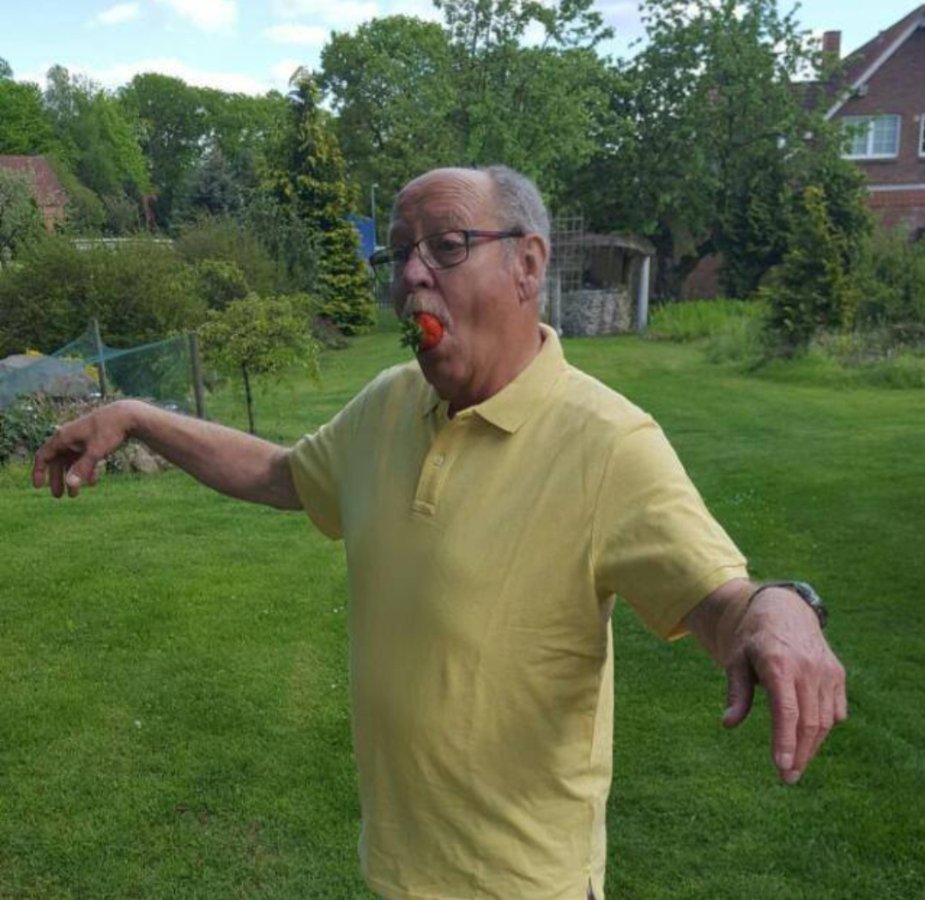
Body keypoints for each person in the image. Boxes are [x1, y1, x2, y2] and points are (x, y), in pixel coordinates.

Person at [33, 165, 847, 900]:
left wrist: (777, 607)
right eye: (399, 253)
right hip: (399, 869)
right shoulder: (389, 403)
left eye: (447, 246)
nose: (412, 275)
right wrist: (139, 417)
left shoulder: (606, 443)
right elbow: (282, 474)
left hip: (523, 884)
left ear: (527, 264)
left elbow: (715, 600)